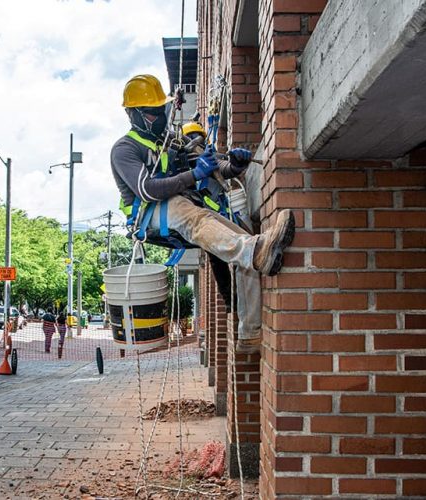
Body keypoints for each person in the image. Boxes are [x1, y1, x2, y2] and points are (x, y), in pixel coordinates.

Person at [110, 74, 295, 353]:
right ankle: (255, 251)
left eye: (162, 109)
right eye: (152, 112)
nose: (160, 115)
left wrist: (234, 165)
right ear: (133, 114)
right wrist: (192, 175)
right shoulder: (125, 149)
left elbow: (214, 167)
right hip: (149, 216)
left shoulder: (173, 142)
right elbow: (146, 190)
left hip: (181, 210)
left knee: (240, 238)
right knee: (197, 216)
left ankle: (250, 333)